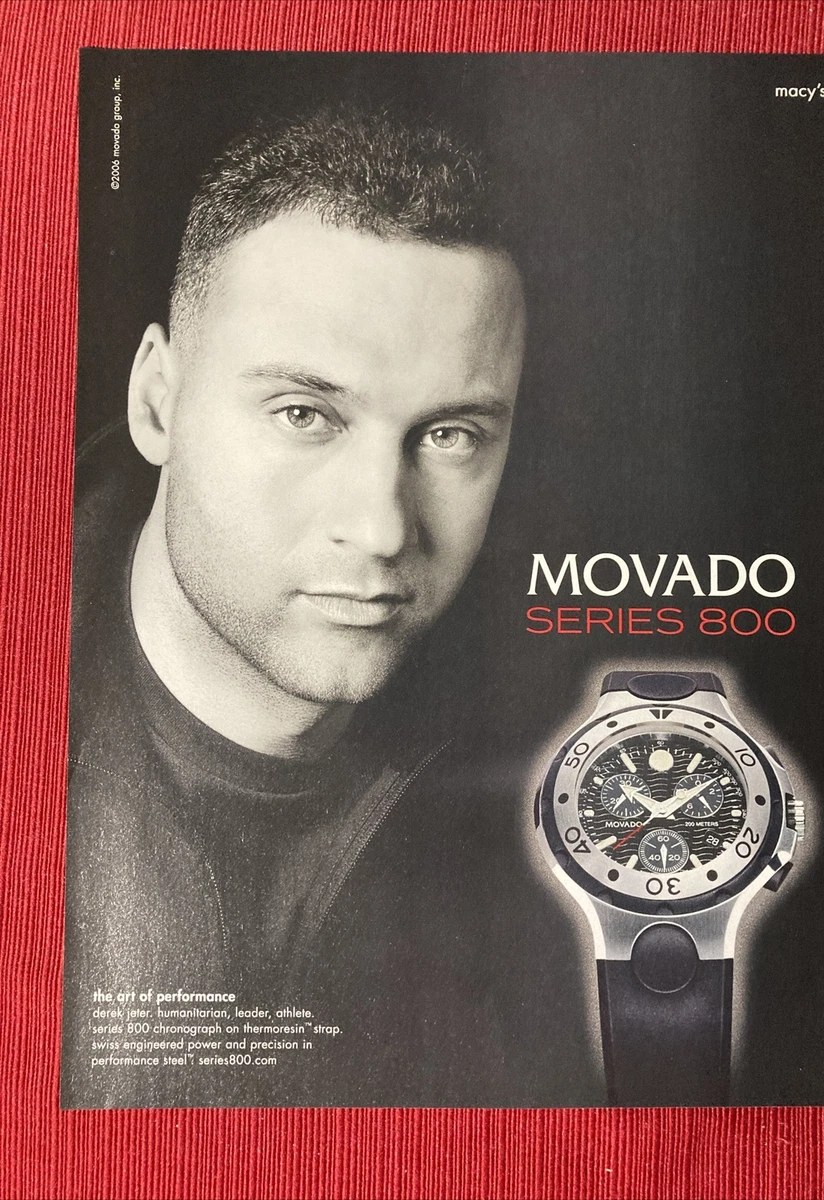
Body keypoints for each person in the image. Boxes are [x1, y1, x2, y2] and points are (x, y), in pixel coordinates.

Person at [62, 102, 598, 1109]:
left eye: (450, 435)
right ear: (156, 402)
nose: (382, 527)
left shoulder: (570, 753)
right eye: (304, 414)